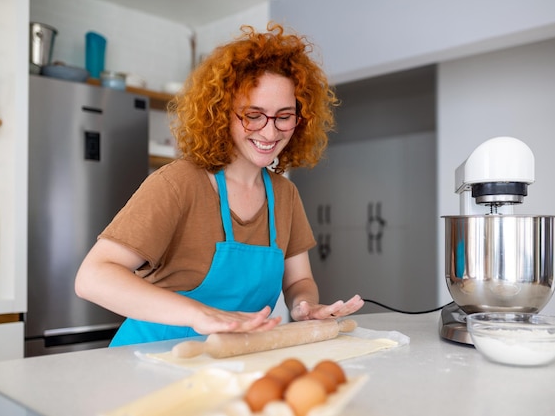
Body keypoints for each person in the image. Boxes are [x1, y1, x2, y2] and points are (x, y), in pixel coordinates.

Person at [75, 23, 364, 347]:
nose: (269, 133)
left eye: (284, 116)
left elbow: (299, 279)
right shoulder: (178, 183)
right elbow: (93, 277)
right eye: (253, 115)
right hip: (146, 363)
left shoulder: (285, 195)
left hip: (229, 364)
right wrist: (198, 314)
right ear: (221, 113)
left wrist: (303, 306)